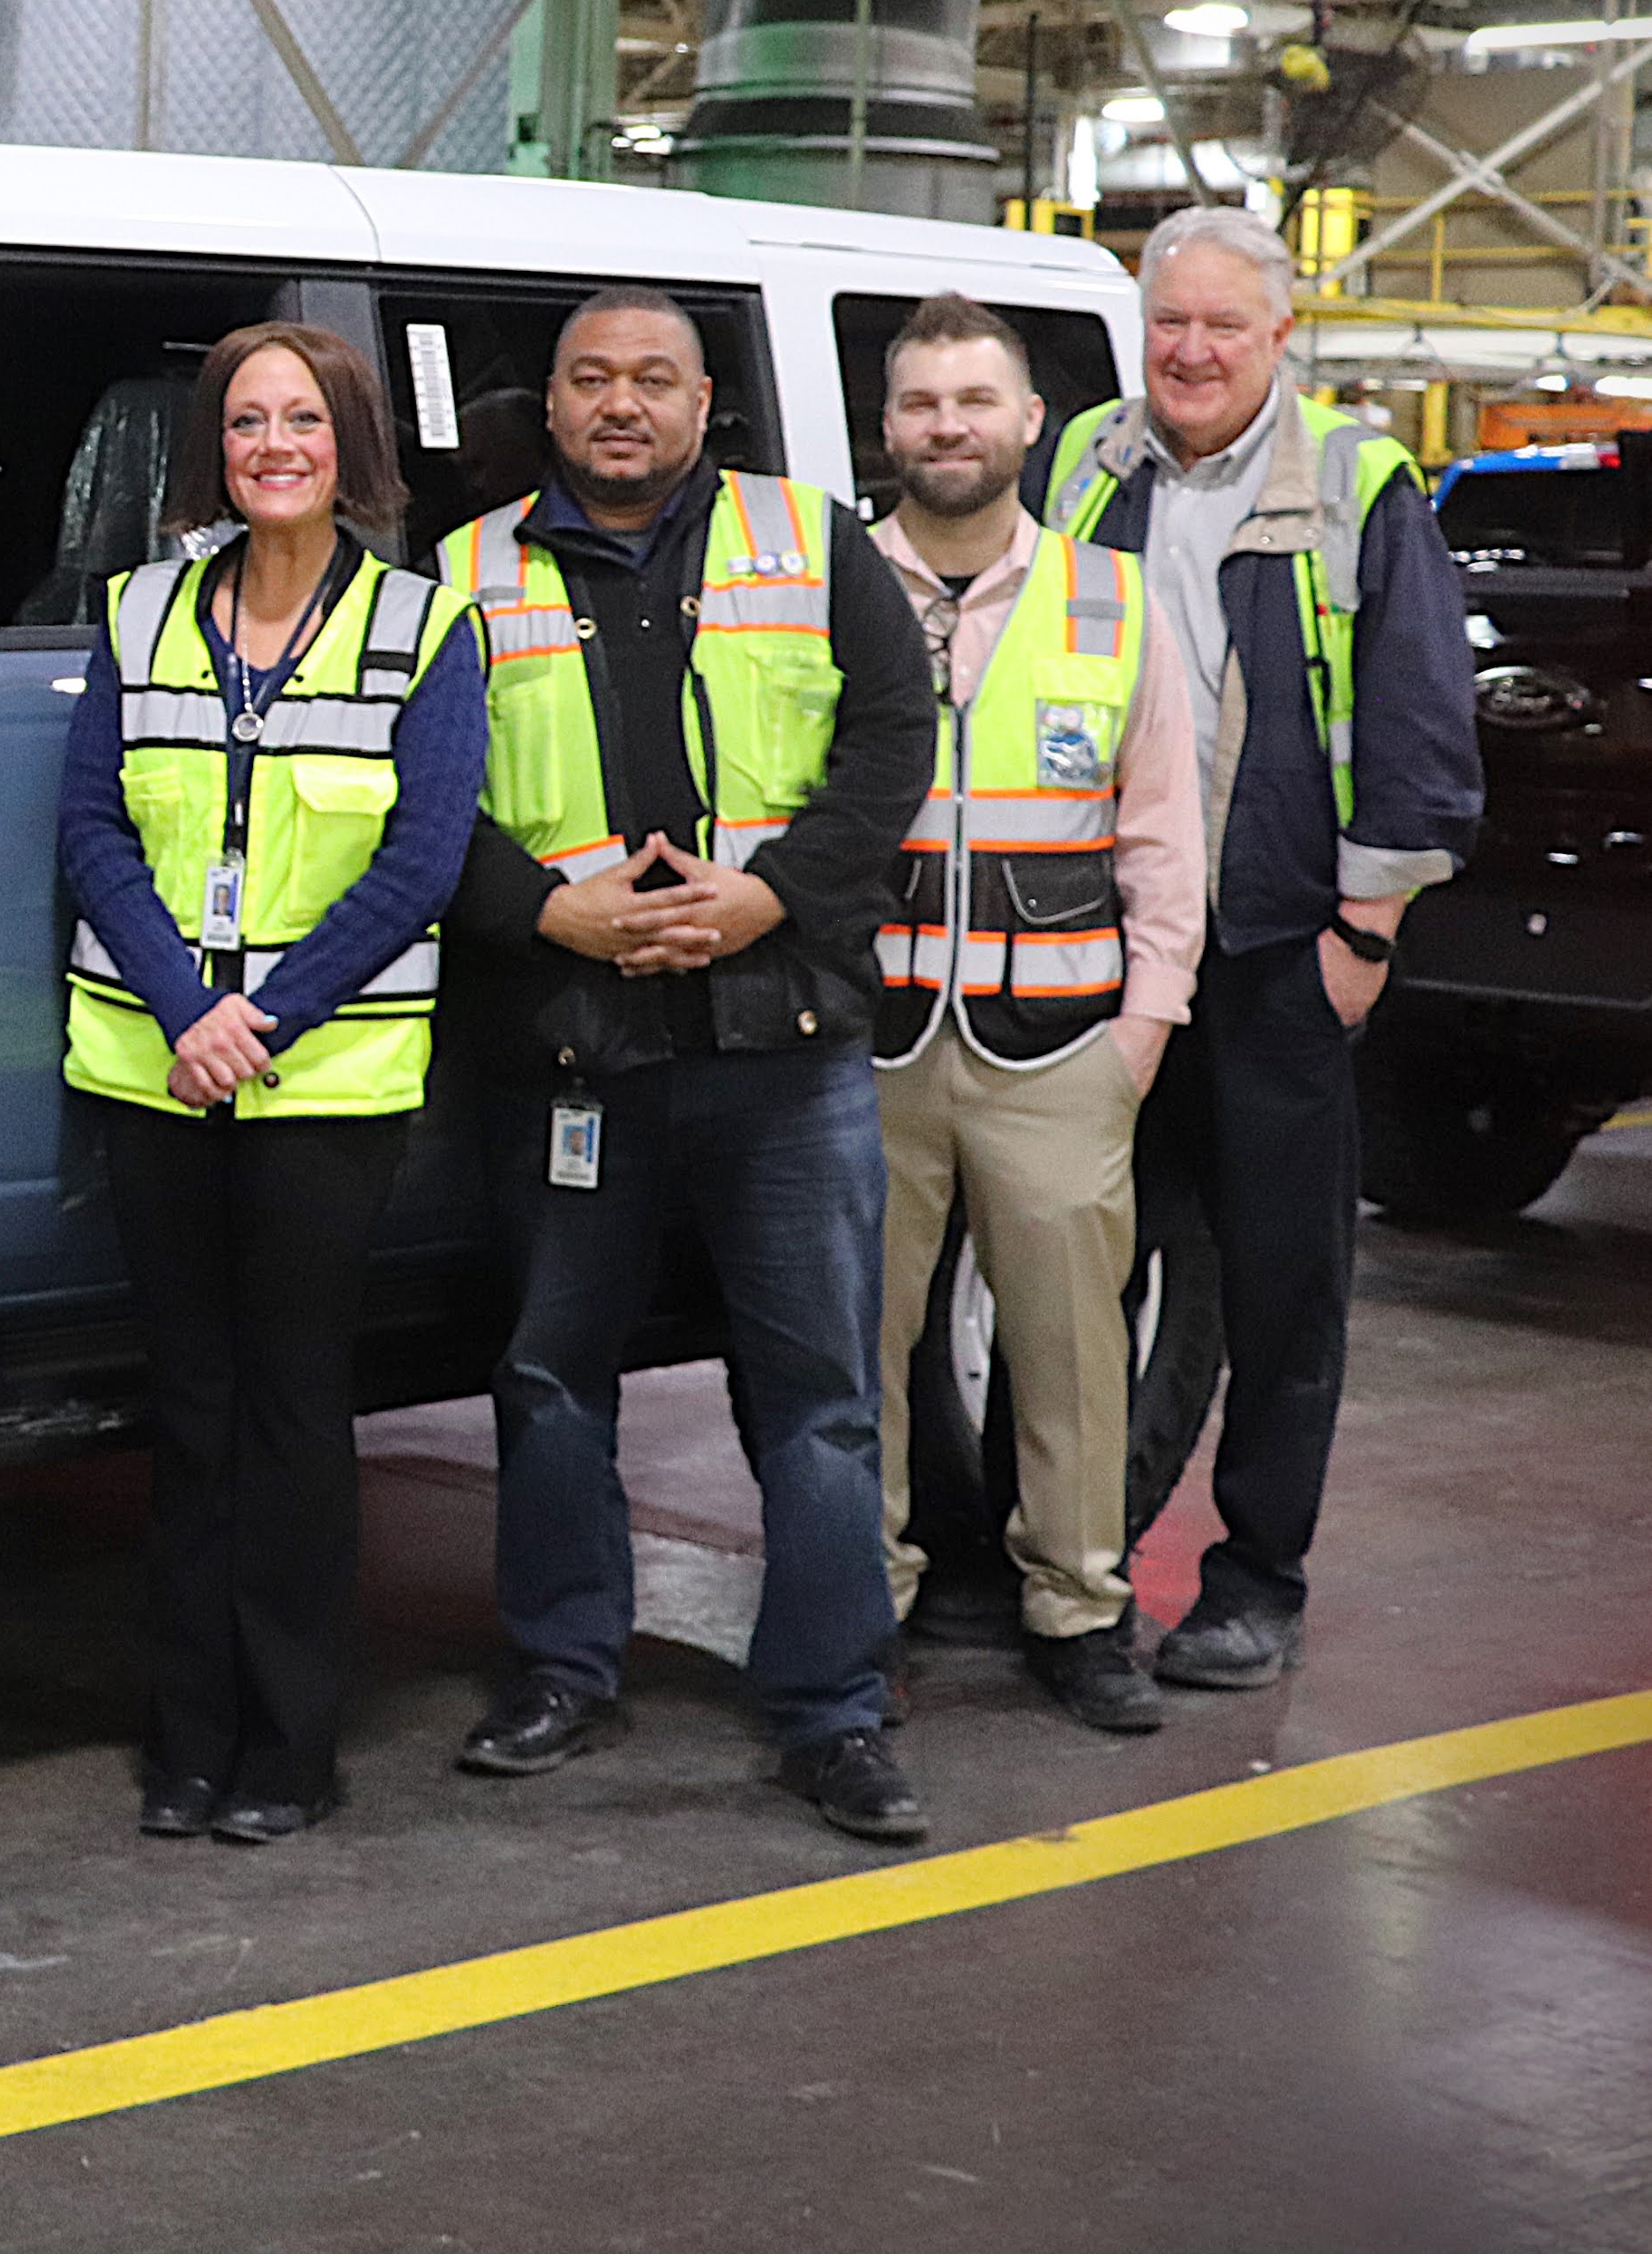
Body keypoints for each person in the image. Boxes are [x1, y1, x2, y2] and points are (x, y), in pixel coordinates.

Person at [438, 288, 939, 1842]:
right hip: (567, 1050)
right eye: (590, 378)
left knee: (814, 1397)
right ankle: (563, 1668)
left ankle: (832, 1708)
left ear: (705, 399)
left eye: (653, 379)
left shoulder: (808, 539)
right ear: (551, 404)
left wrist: (770, 894)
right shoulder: (466, 573)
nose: (620, 405)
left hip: (777, 1047)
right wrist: (551, 913)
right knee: (548, 1380)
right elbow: (414, 794)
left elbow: (890, 738)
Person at [1045, 204, 1480, 1689]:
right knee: (1089, 1267)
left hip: (1275, 947)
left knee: (1283, 1277)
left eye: (1224, 324)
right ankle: (1074, 1558)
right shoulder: (1086, 462)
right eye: (1170, 322)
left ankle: (1253, 1580)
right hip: (1103, 944)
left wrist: (1363, 927)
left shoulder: (1358, 477)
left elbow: (1421, 714)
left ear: (1278, 337)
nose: (1191, 349)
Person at [62, 322, 482, 1844]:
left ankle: (289, 1752)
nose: (273, 447)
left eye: (301, 420)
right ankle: (185, 1742)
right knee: (189, 1414)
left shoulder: (422, 629)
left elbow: (420, 862)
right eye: (245, 423)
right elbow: (94, 834)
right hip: (155, 1071)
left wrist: (267, 1015)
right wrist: (189, 1010)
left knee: (295, 1415)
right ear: (214, 450)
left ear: (346, 445)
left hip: (323, 1088)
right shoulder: (138, 610)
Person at [866, 295, 1201, 1736]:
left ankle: (1077, 1608)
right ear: (887, 427)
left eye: (974, 400)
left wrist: (1146, 1026)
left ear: (1024, 424)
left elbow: (1165, 837)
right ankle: (852, 1611)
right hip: (864, 1043)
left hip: (1063, 1048)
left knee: (1066, 1349)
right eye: (922, 402)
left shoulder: (1110, 598)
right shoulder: (829, 587)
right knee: (853, 1345)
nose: (948, 424)